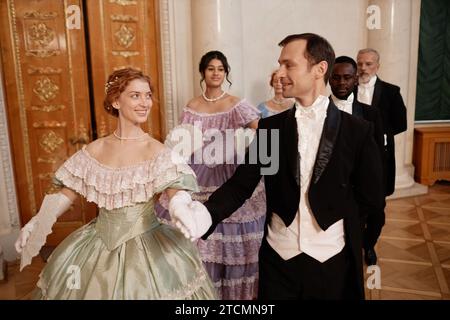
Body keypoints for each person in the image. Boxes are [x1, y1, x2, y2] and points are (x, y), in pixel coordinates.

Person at [177, 33, 384, 300]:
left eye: (289, 64)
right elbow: (242, 184)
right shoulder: (272, 129)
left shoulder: (357, 130)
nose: (280, 72)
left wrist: (345, 233)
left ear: (320, 69)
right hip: (278, 260)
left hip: (333, 260)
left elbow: (372, 199)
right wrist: (203, 216)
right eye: (279, 64)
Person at [14, 68, 217, 299]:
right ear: (115, 101)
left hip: (146, 251)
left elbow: (176, 190)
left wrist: (180, 206)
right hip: (95, 247)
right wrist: (36, 223)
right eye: (135, 95)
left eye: (148, 95)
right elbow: (65, 194)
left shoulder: (158, 151)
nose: (145, 103)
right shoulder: (94, 150)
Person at [157, 51, 266, 300]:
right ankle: (202, 292)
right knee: (193, 224)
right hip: (197, 170)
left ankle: (233, 294)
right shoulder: (192, 105)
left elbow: (264, 132)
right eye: (210, 68)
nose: (216, 73)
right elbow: (184, 139)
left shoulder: (236, 104)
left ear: (226, 73)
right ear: (203, 73)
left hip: (228, 171)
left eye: (220, 69)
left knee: (225, 218)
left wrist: (242, 149)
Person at [329, 55, 385, 266]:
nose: (341, 83)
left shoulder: (371, 114)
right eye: (336, 78)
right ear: (328, 79)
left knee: (376, 218)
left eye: (347, 77)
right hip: (333, 185)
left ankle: (368, 245)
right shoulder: (319, 110)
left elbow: (381, 153)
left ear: (355, 79)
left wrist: (381, 187)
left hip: (364, 185)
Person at [356, 48, 407, 265]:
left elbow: (401, 122)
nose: (363, 68)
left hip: (380, 158)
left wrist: (380, 136)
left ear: (378, 65)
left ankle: (368, 245)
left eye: (368, 64)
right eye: (360, 64)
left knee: (377, 210)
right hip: (353, 157)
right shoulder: (347, 87)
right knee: (355, 207)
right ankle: (352, 245)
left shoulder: (391, 91)